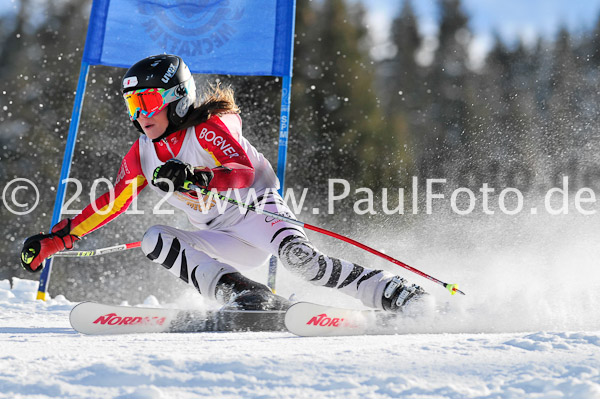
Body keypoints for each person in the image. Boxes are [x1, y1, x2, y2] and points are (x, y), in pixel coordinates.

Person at [20, 54, 424, 312]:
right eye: (132, 105)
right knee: (154, 238)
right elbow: (114, 202)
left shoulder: (210, 128)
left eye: (146, 102)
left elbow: (242, 171)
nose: (140, 115)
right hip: (219, 237)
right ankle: (240, 294)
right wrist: (62, 237)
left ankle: (390, 291)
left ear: (176, 97)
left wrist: (199, 176)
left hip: (258, 212)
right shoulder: (142, 153)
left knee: (305, 264)